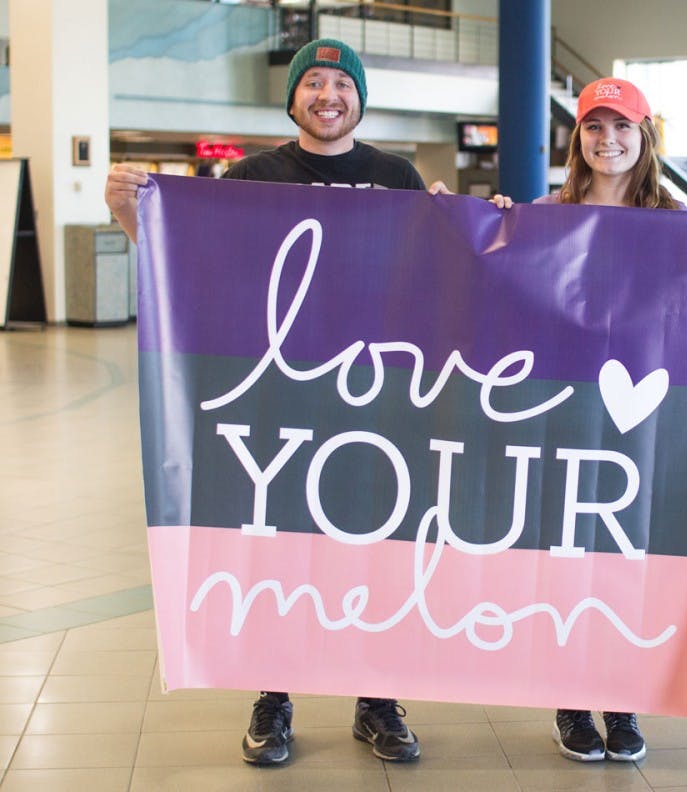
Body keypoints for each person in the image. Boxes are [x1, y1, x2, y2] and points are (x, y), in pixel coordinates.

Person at [105, 38, 440, 767]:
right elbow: (192, 266)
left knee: (376, 548)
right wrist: (133, 218)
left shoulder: (397, 176)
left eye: (341, 83)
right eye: (313, 82)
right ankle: (273, 694)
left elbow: (441, 275)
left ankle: (376, 697)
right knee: (279, 548)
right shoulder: (251, 176)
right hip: (278, 397)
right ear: (291, 98)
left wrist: (478, 225)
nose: (328, 95)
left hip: (379, 397)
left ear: (359, 97)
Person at [533, 77, 687, 764]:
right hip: (563, 415)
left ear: (645, 138)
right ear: (577, 138)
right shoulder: (546, 217)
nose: (608, 139)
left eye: (623, 126)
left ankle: (622, 697)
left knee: (628, 555)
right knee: (568, 558)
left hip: (646, 414)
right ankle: (572, 698)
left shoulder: (677, 219)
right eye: (594, 126)